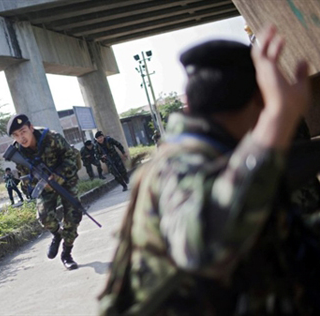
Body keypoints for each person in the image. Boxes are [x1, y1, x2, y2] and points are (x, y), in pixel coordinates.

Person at [98, 26, 319, 315]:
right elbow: (200, 246)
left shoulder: (223, 157)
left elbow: (280, 236)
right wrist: (278, 119)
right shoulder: (178, 165)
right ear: (260, 100)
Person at [7, 114, 81, 270]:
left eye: (23, 132)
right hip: (44, 184)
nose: (22, 138)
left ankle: (66, 254)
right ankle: (57, 234)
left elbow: (71, 158)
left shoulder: (51, 137)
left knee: (74, 215)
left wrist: (59, 174)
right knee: (44, 216)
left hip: (66, 180)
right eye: (16, 135)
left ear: (31, 128)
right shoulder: (18, 152)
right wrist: (37, 182)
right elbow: (23, 176)